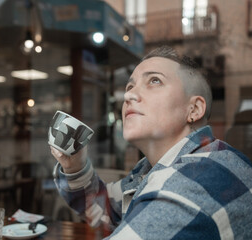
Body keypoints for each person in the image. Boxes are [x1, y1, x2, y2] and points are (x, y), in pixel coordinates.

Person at [50, 46, 252, 239]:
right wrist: (74, 164)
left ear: (194, 109)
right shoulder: (156, 167)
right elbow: (105, 208)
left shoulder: (197, 179)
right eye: (130, 86)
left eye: (155, 81)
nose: (128, 95)